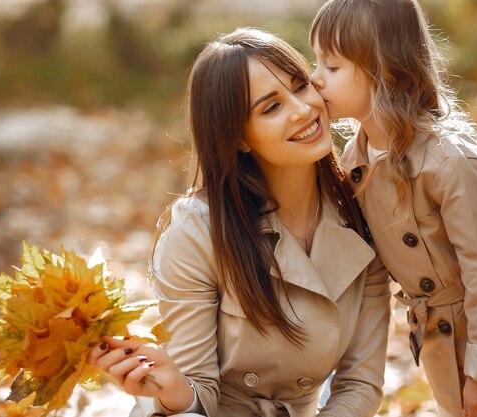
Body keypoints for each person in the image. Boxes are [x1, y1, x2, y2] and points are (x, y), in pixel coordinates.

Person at [88, 27, 391, 417]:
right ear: (238, 138)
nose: (302, 110)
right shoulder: (197, 231)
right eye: (271, 107)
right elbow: (195, 393)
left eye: (300, 86)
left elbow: (360, 385)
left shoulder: (362, 211)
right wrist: (174, 391)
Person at [309, 1, 477, 417]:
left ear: (381, 67)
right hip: (440, 335)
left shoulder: (453, 163)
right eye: (317, 64)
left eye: (331, 66)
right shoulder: (356, 160)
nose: (315, 79)